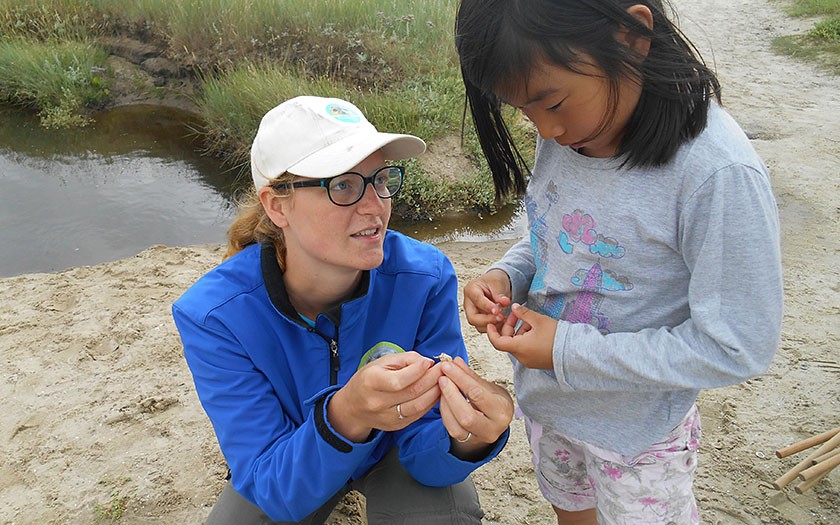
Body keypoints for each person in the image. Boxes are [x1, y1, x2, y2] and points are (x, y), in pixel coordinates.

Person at [454, 1, 783, 524]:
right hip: (551, 406)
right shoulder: (571, 130)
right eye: (523, 111)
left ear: (632, 37)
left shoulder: (716, 175)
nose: (546, 130)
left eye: (553, 103)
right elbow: (557, 235)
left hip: (638, 438)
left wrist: (566, 348)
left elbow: (737, 345)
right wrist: (508, 275)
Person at [172, 95, 514, 524]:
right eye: (343, 185)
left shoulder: (425, 278)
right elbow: (272, 487)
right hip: (294, 450)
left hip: (397, 451)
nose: (376, 206)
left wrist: (467, 439)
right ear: (278, 205)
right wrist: (346, 415)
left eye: (381, 179)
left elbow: (428, 448)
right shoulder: (214, 317)